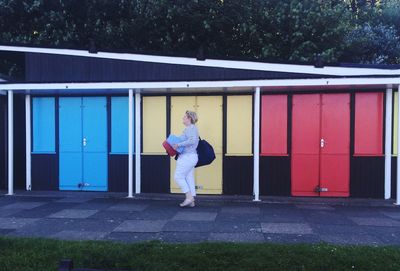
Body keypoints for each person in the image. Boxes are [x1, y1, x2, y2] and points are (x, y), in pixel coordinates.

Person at [172, 110, 199, 207]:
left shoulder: (191, 128)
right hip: (190, 156)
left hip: (188, 157)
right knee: (188, 177)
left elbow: (192, 140)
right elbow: (184, 140)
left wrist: (178, 144)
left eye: (184, 117)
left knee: (178, 177)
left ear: (189, 119)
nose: (182, 118)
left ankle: (189, 197)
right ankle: (191, 201)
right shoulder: (188, 129)